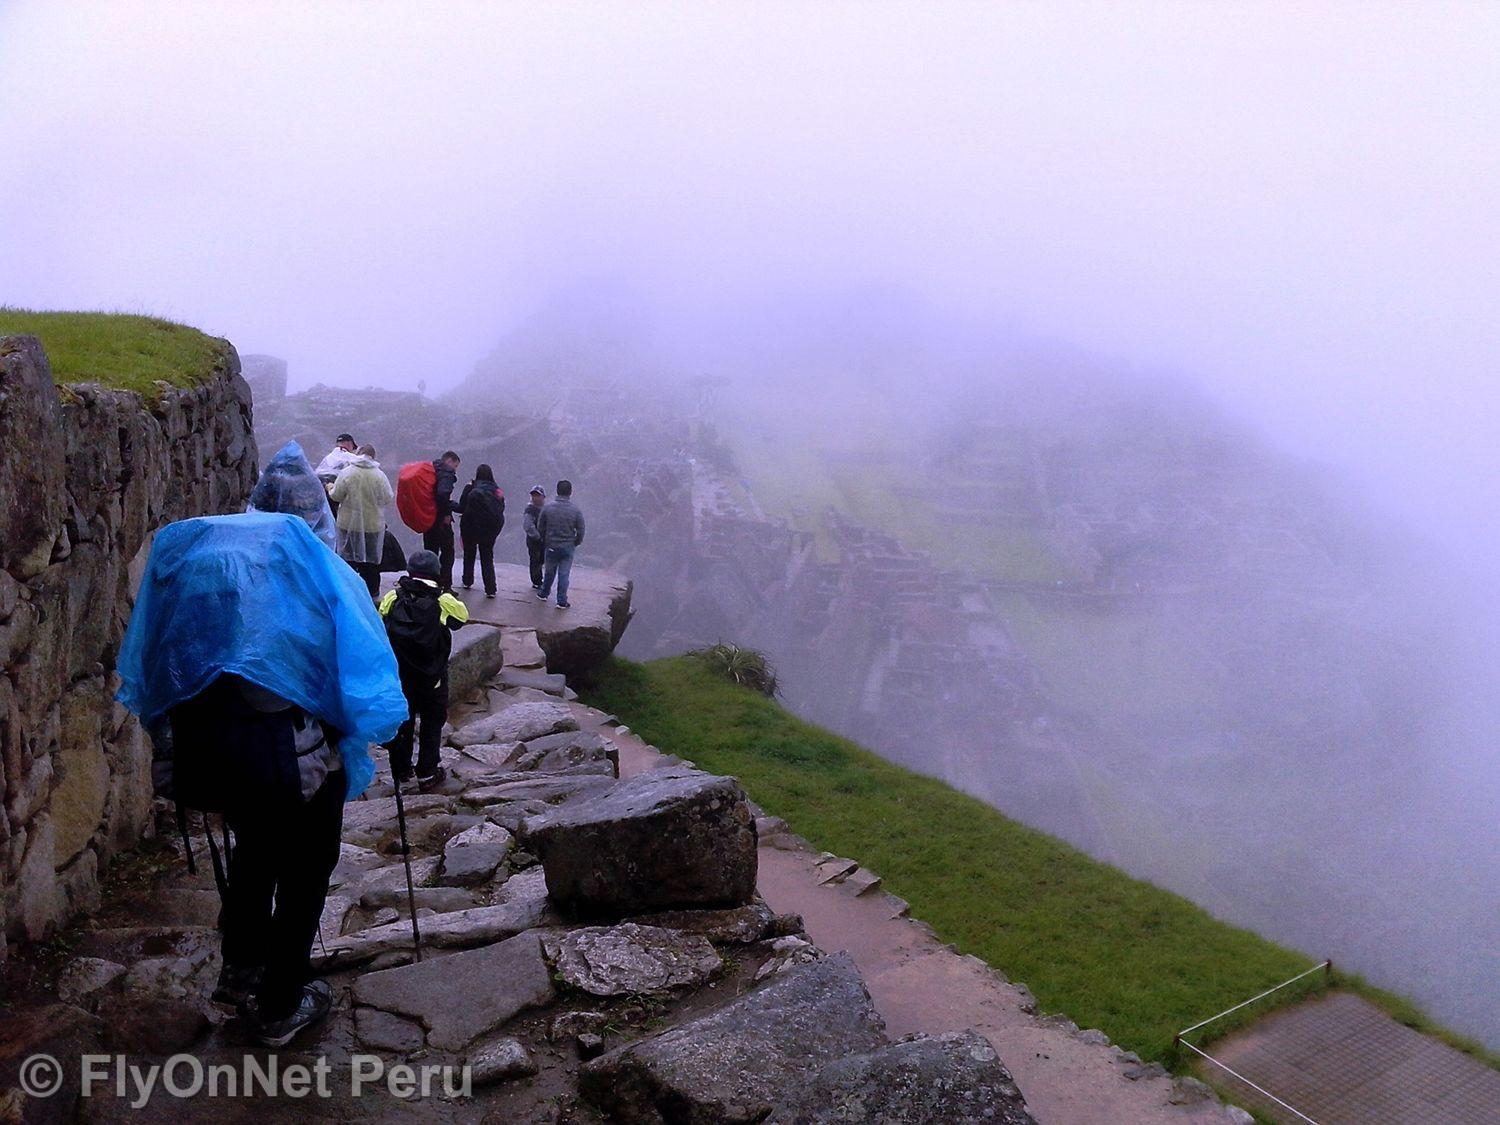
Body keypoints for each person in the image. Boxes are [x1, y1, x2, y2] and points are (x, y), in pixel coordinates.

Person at [115, 512, 407, 1048]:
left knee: (253, 860)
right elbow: (351, 684)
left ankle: (241, 970)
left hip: (221, 767)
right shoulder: (303, 602)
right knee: (304, 878)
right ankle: (282, 1004)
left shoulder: (204, 609)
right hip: (297, 772)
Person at [379, 549, 469, 790]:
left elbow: (380, 622)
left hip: (400, 676)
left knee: (403, 721)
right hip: (432, 678)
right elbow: (462, 618)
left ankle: (401, 770)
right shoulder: (443, 601)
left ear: (410, 571)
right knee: (431, 723)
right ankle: (427, 773)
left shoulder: (392, 597)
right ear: (436, 573)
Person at [330, 444, 394, 596]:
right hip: (372, 525)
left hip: (348, 525)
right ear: (374, 456)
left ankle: (348, 593)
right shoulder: (379, 475)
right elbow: (387, 498)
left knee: (348, 560)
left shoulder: (347, 472)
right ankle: (371, 593)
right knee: (370, 562)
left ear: (358, 454)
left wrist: (329, 487)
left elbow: (336, 496)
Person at [248, 440, 337, 550]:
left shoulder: (268, 482)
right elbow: (322, 523)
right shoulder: (311, 484)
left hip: (267, 545)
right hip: (307, 547)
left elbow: (256, 509)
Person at [536, 478, 585, 610]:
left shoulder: (547, 508)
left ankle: (544, 593)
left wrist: (545, 539)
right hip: (568, 547)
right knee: (564, 574)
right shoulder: (575, 511)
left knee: (549, 572)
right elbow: (581, 530)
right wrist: (576, 542)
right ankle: (561, 601)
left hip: (551, 545)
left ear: (557, 491)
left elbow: (541, 526)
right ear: (570, 492)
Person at [458, 464, 505, 598]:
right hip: (490, 529)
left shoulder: (472, 488)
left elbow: (462, 507)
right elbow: (501, 509)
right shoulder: (497, 491)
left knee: (469, 554)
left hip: (470, 527)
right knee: (487, 557)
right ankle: (490, 589)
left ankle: (467, 580)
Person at [423, 450, 463, 591]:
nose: (455, 469)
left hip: (428, 517)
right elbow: (442, 495)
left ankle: (429, 585)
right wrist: (448, 511)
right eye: (455, 465)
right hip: (441, 521)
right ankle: (446, 586)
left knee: (430, 553)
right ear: (450, 460)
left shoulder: (432, 469)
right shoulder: (446, 473)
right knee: (447, 553)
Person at [522, 485, 546, 592]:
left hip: (543, 540)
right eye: (533, 495)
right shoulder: (530, 510)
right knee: (535, 560)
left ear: (543, 497)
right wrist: (538, 536)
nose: (535, 497)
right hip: (534, 540)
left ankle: (539, 580)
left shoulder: (545, 509)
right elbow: (528, 525)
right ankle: (537, 581)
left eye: (537, 495)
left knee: (541, 559)